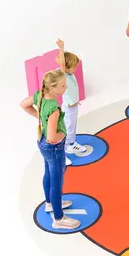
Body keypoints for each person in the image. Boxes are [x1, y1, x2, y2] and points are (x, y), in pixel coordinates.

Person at [19, 70, 81, 230]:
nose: (65, 88)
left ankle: (50, 203)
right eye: (63, 85)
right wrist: (63, 134)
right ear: (53, 87)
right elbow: (52, 137)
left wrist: (40, 117)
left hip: (42, 143)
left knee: (48, 173)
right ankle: (59, 218)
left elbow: (24, 104)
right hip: (54, 147)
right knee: (57, 181)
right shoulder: (54, 109)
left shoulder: (40, 95)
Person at [55, 38, 85, 166]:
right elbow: (62, 65)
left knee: (72, 128)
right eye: (74, 67)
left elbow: (64, 64)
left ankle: (71, 144)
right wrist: (61, 48)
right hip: (68, 109)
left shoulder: (70, 74)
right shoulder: (62, 75)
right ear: (66, 67)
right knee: (66, 131)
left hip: (74, 107)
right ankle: (61, 154)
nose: (75, 69)